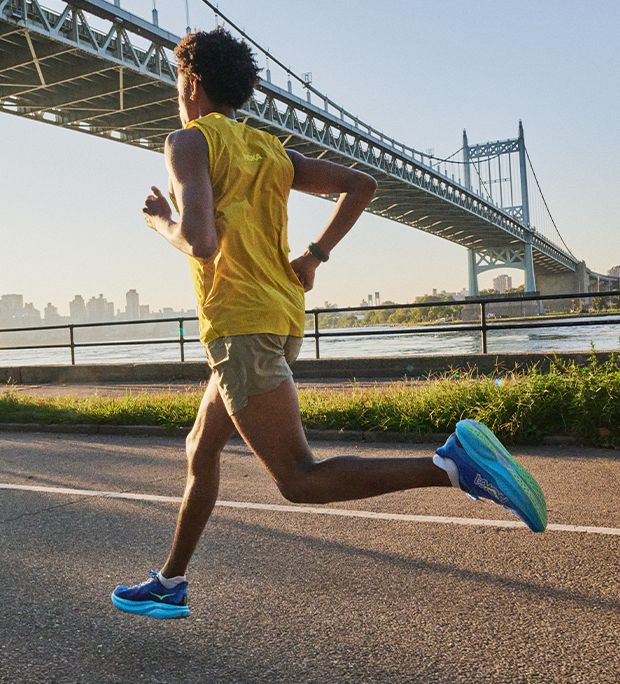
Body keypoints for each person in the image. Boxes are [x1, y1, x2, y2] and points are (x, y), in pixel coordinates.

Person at [111, 28, 547, 620]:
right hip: (282, 318)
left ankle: (452, 466)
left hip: (240, 326)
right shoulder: (269, 150)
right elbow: (360, 184)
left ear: (190, 83)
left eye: (177, 80)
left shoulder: (187, 141)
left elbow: (200, 243)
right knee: (201, 445)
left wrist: (161, 220)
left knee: (298, 478)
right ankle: (170, 581)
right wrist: (313, 256)